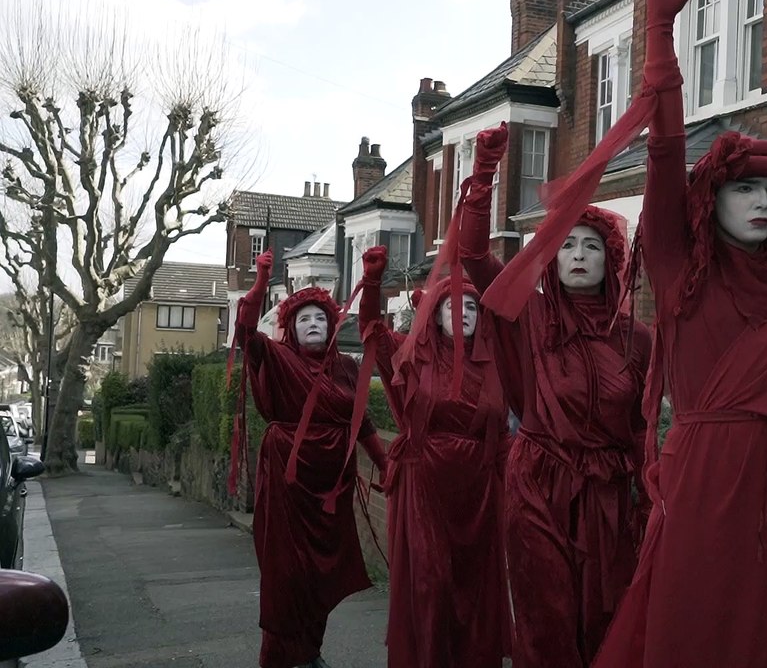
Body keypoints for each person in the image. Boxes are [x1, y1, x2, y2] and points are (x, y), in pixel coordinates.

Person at [592, 0, 767, 668]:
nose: (761, 201)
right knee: (697, 626)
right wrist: (661, 34)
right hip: (705, 484)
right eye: (744, 188)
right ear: (712, 199)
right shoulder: (680, 275)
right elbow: (666, 157)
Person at [456, 125, 652, 668]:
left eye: (591, 246)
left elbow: (641, 427)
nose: (580, 255)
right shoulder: (529, 315)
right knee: (547, 625)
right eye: (566, 245)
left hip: (609, 498)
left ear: (609, 258)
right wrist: (484, 171)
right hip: (539, 485)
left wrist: (650, 495)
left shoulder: (637, 338)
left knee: (605, 626)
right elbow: (473, 254)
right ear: (551, 258)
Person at [355, 127, 509, 668]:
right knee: (430, 590)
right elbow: (371, 330)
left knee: (474, 596)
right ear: (435, 315)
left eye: (472, 309)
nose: (464, 314)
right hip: (424, 487)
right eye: (453, 307)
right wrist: (372, 282)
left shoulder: (498, 363)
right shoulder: (409, 357)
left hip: (480, 493)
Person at [232, 250, 389, 668]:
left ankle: (310, 651)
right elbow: (246, 332)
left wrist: (386, 465)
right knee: (287, 574)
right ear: (291, 329)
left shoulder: (347, 368)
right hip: (288, 484)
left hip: (331, 488)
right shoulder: (278, 358)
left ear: (333, 325)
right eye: (304, 319)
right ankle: (280, 659)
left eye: (321, 318)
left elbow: (364, 423)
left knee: (324, 573)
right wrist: (262, 282)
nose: (314, 324)